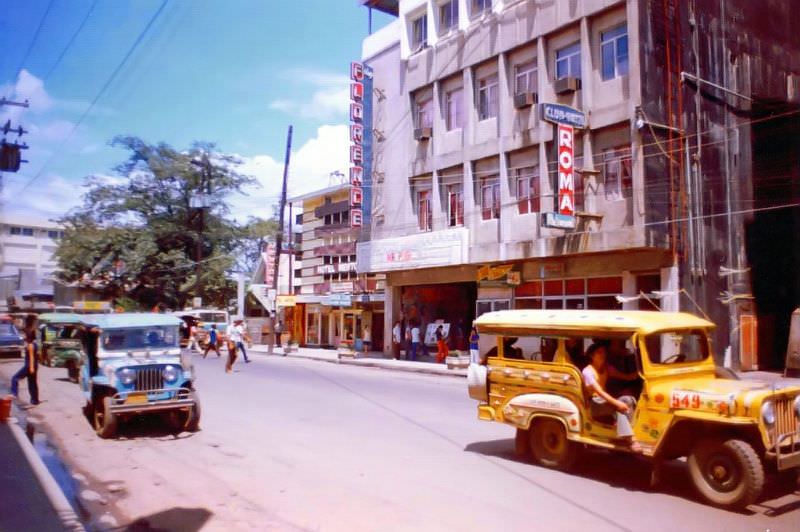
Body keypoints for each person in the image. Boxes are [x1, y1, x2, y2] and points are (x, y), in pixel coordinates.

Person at [582, 343, 641, 450]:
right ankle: (631, 439)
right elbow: (599, 392)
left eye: (604, 352)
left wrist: (638, 375)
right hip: (594, 404)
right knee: (618, 407)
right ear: (591, 356)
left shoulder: (606, 368)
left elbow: (625, 377)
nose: (603, 355)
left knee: (627, 399)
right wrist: (616, 403)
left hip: (604, 401)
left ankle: (626, 431)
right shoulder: (587, 371)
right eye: (599, 353)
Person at [11, 316, 39, 406]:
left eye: (24, 336)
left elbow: (31, 357)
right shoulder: (34, 344)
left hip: (29, 365)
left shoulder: (30, 345)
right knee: (32, 383)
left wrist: (31, 368)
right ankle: (35, 400)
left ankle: (14, 394)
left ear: (28, 336)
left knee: (14, 378)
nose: (23, 337)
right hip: (34, 365)